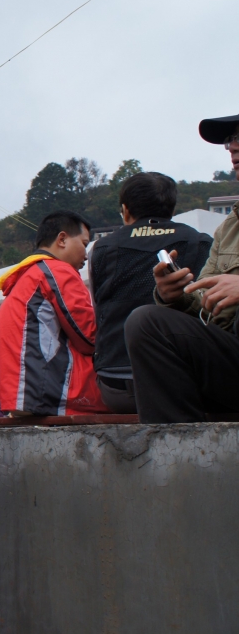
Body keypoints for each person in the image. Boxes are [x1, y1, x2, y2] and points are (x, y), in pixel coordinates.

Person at [125, 113, 239, 423]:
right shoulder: (230, 227)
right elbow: (206, 304)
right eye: (230, 141)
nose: (233, 149)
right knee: (146, 321)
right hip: (232, 360)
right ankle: (174, 455)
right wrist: (173, 295)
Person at [89, 172, 212, 413]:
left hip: (117, 386)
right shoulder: (200, 243)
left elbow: (99, 311)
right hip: (185, 381)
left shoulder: (101, 249)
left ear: (125, 210)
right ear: (170, 208)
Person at [0, 210, 107, 416]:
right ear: (62, 239)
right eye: (84, 243)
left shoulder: (27, 275)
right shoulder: (57, 271)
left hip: (21, 394)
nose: (86, 254)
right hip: (50, 392)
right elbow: (89, 337)